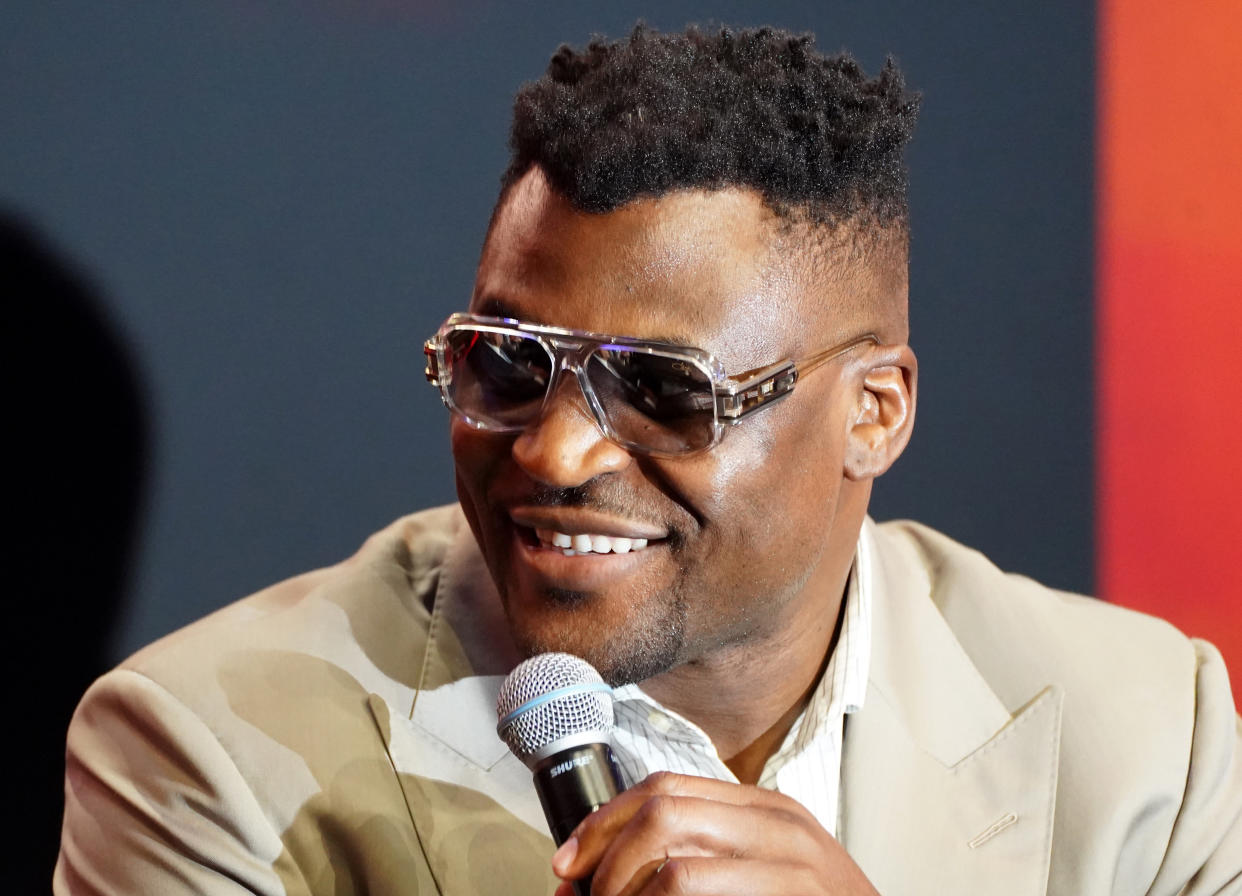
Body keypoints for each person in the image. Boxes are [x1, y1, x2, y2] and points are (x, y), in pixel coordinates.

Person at [55, 24, 1241, 896]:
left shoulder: (1148, 739)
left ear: (874, 412)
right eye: (510, 363)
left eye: (668, 391)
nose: (558, 449)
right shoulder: (204, 751)